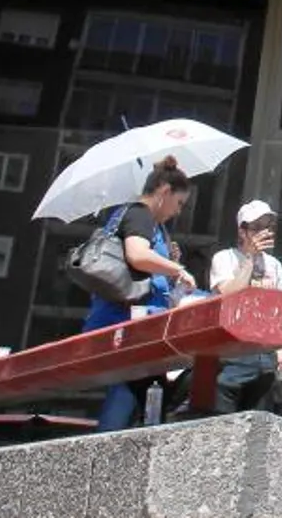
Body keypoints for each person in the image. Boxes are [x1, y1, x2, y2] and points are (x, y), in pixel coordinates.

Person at [81, 158, 198, 432]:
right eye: (179, 203)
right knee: (129, 391)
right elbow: (136, 254)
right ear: (165, 191)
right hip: (129, 325)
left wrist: (167, 256)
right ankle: (104, 454)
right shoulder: (140, 213)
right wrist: (175, 268)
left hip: (135, 323)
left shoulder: (147, 221)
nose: (178, 212)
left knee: (140, 392)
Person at [207, 200, 282, 415]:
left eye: (269, 227)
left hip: (263, 353)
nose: (264, 233)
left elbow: (279, 312)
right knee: (224, 420)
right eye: (257, 228)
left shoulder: (274, 265)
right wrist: (250, 259)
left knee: (257, 422)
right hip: (230, 354)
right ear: (242, 231)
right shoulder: (224, 258)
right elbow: (227, 295)